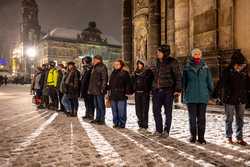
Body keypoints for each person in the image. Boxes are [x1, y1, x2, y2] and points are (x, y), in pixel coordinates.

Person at [182, 48, 213, 144]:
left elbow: (209, 81)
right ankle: (193, 136)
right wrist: (184, 94)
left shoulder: (206, 67)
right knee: (192, 118)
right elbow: (184, 83)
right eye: (195, 54)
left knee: (201, 118)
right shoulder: (187, 68)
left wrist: (210, 93)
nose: (197, 55)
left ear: (201, 55)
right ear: (192, 55)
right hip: (191, 96)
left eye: (199, 54)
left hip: (203, 96)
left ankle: (201, 138)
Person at [151, 44, 182, 137]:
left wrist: (178, 89)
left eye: (159, 52)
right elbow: (154, 76)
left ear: (165, 53)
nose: (157, 53)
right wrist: (152, 87)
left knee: (168, 112)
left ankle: (166, 130)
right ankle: (158, 129)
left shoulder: (172, 62)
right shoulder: (156, 62)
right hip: (157, 90)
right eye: (157, 51)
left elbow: (178, 76)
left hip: (168, 90)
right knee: (156, 111)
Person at [221, 51, 249, 146]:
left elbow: (248, 85)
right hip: (229, 99)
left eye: (241, 64)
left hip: (241, 99)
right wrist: (226, 95)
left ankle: (239, 138)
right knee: (229, 119)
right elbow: (223, 85)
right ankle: (228, 137)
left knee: (240, 119)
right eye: (238, 64)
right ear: (234, 63)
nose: (240, 66)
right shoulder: (227, 71)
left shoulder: (244, 72)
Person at [108, 59, 132, 128]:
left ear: (121, 65)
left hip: (121, 94)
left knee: (121, 110)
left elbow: (128, 84)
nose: (116, 66)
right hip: (113, 94)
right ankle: (116, 122)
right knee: (114, 111)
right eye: (115, 64)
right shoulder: (113, 73)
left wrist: (127, 92)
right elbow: (111, 84)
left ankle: (122, 123)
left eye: (117, 64)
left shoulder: (125, 73)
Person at [132, 60, 154, 131]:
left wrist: (148, 89)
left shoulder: (148, 72)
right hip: (137, 93)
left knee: (144, 109)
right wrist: (134, 88)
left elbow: (150, 82)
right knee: (138, 110)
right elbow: (133, 82)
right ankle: (140, 124)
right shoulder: (135, 73)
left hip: (145, 93)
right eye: (138, 64)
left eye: (140, 64)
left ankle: (145, 125)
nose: (139, 65)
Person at [88, 55, 108, 125]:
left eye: (94, 59)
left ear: (97, 60)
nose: (93, 61)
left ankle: (102, 119)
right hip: (94, 89)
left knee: (101, 105)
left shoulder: (102, 66)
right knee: (96, 105)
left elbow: (104, 79)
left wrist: (103, 88)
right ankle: (97, 118)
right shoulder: (94, 67)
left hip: (99, 89)